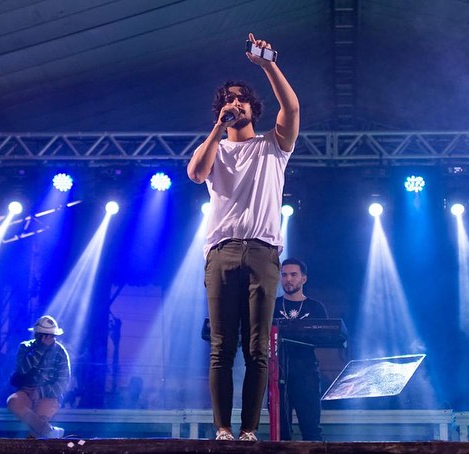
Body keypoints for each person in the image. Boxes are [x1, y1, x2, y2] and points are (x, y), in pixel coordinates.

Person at [187, 32, 300, 441]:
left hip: (263, 252)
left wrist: (268, 65)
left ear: (253, 107)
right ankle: (222, 429)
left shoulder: (274, 145)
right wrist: (217, 129)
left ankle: (249, 430)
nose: (235, 105)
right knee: (221, 347)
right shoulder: (215, 149)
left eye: (241, 100)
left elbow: (292, 107)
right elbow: (196, 173)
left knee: (257, 349)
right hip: (221, 252)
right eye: (228, 101)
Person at [274, 258, 327, 441]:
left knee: (311, 429)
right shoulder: (272, 305)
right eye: (284, 275)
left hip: (306, 372)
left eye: (293, 275)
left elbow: (326, 336)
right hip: (277, 373)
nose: (288, 279)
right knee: (280, 432)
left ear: (304, 279)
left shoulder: (315, 307)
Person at [7, 315, 70, 439]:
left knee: (40, 417)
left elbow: (63, 382)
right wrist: (40, 350)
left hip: (49, 394)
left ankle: (37, 438)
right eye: (42, 335)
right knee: (13, 402)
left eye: (50, 336)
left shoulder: (61, 352)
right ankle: (48, 430)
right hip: (25, 391)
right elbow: (22, 369)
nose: (47, 339)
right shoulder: (25, 347)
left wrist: (41, 392)